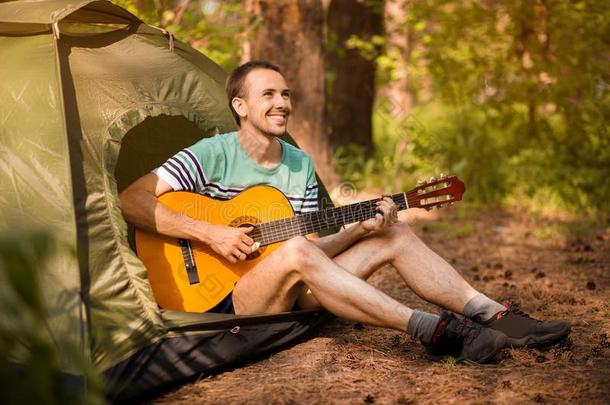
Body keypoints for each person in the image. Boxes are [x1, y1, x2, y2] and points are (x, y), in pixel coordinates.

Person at [120, 60, 570, 363]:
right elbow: (133, 200)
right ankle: (434, 331)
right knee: (294, 251)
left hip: (294, 289)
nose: (282, 103)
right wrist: (209, 233)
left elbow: (312, 251)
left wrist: (356, 230)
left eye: (286, 94)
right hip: (222, 300)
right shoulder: (211, 154)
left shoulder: (298, 163)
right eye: (268, 94)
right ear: (239, 106)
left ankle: (498, 316)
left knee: (390, 235)